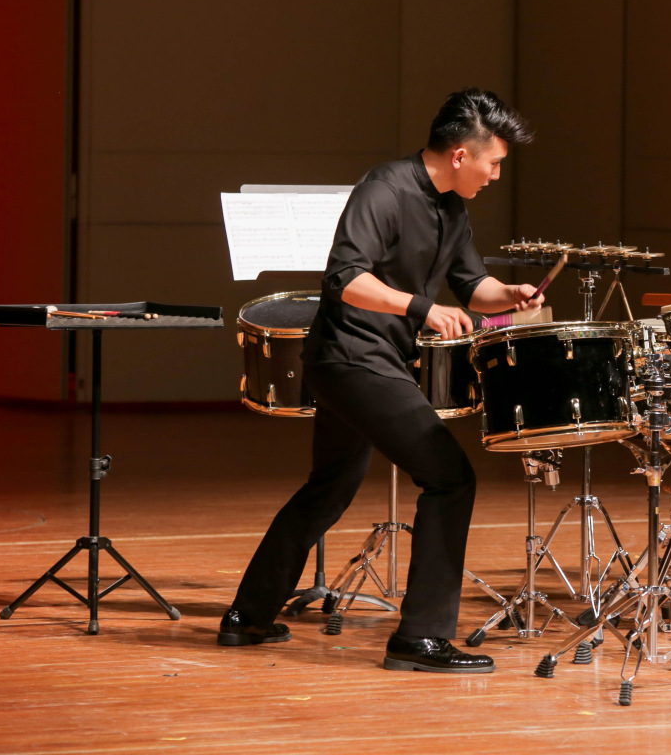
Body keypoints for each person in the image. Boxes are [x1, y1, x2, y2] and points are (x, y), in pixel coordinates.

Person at [217, 89, 542, 673]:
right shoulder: (384, 190)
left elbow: (474, 287)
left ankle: (248, 615)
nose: (496, 175)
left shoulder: (453, 208)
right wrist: (422, 308)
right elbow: (343, 278)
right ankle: (420, 638)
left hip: (373, 360)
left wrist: (510, 295)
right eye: (493, 163)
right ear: (461, 156)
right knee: (450, 478)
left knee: (329, 488)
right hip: (350, 357)